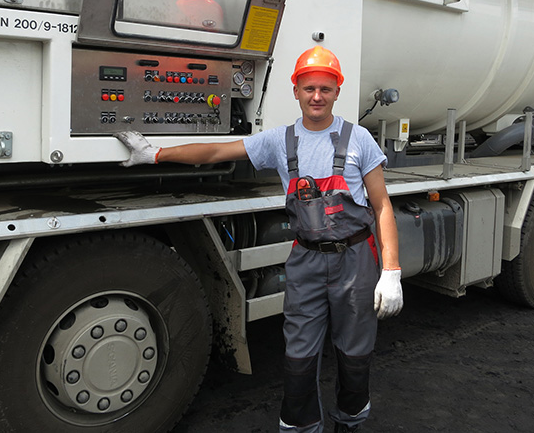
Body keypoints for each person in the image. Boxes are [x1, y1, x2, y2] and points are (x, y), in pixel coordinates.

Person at [114, 46, 403, 433]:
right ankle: (301, 428)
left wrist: (391, 271)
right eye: (309, 88)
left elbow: (382, 205)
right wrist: (156, 154)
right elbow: (217, 150)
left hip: (355, 261)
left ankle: (350, 422)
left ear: (337, 91)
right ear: (296, 90)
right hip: (307, 261)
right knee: (299, 355)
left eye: (325, 88)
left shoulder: (359, 139)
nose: (316, 96)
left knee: (355, 353)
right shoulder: (278, 142)